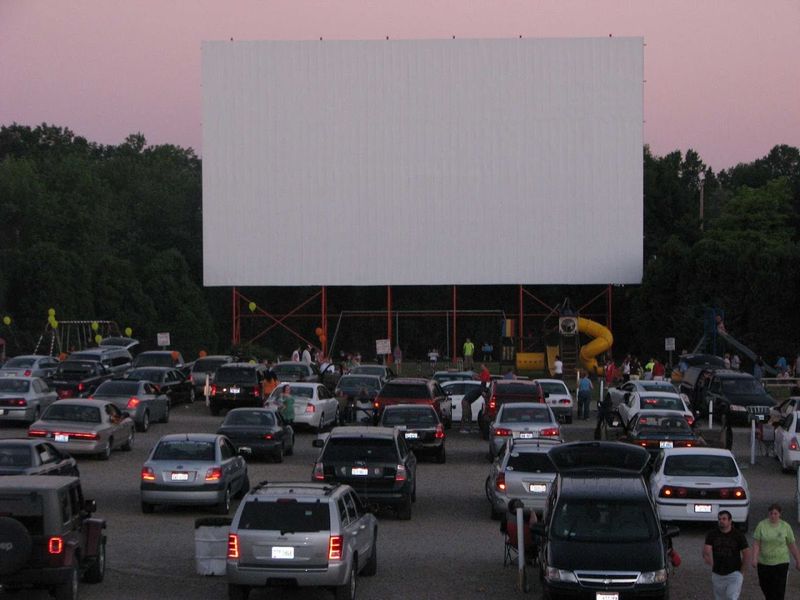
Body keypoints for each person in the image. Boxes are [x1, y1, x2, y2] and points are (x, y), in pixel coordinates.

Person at [751, 503, 800, 600]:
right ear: (768, 514)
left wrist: (798, 560)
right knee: (765, 586)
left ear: (780, 514)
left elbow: (791, 544)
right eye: (771, 514)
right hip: (764, 562)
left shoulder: (785, 526)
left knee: (779, 589)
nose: (773, 516)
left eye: (775, 513)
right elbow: (757, 543)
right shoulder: (761, 525)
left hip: (781, 562)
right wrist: (754, 558)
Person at [703, 510, 750, 600]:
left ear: (730, 520)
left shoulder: (738, 535)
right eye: (719, 519)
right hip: (717, 573)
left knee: (731, 596)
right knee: (720, 597)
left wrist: (742, 571)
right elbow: (706, 551)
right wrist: (711, 562)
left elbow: (746, 552)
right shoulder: (712, 534)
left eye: (724, 519)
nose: (721, 521)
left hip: (734, 573)